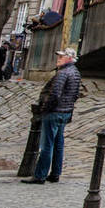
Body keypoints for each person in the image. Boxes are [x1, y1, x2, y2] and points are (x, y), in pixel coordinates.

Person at [22, 47, 82, 184]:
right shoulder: (75, 72)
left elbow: (55, 94)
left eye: (61, 57)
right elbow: (76, 94)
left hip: (55, 112)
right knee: (58, 143)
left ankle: (40, 175)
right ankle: (55, 173)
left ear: (69, 58)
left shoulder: (63, 73)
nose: (58, 59)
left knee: (47, 145)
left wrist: (45, 108)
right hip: (65, 112)